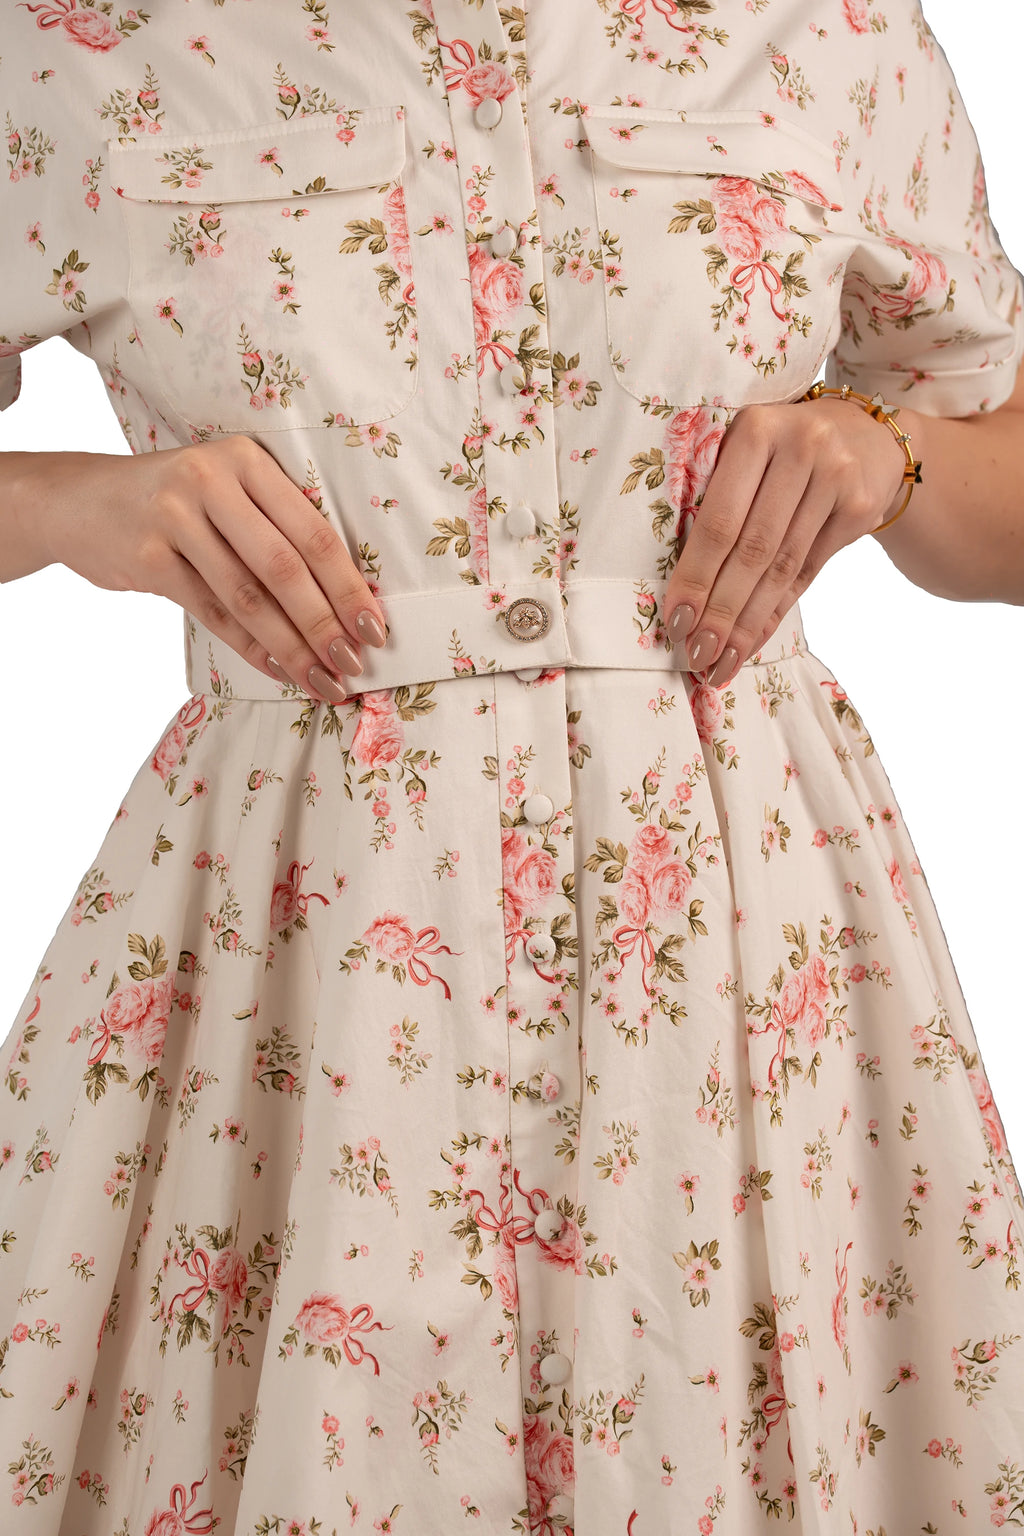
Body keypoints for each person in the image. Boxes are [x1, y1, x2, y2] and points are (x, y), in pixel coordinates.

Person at [1, 2, 1022, 1532]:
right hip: (306, 941)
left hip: (739, 940)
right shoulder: (83, 36)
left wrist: (890, 450)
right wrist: (82, 509)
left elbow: (991, 485)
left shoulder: (829, 25)